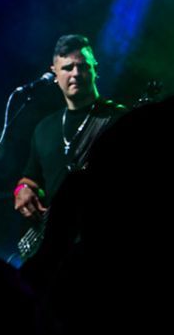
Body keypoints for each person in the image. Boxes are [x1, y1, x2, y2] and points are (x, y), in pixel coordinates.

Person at [12, 34, 124, 239]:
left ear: (95, 69)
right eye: (67, 68)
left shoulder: (118, 118)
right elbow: (30, 178)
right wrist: (22, 189)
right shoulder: (44, 128)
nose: (76, 73)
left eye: (83, 66)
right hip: (52, 240)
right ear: (54, 73)